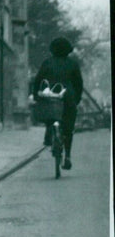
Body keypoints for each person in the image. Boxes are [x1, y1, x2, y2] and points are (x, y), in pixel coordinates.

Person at [32, 35, 83, 170]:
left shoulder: (47, 63)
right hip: (68, 97)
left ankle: (49, 133)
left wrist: (36, 95)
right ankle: (67, 157)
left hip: (51, 96)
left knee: (49, 115)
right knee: (68, 129)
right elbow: (79, 84)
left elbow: (37, 80)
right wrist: (77, 99)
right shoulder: (73, 64)